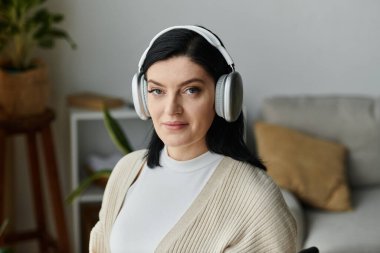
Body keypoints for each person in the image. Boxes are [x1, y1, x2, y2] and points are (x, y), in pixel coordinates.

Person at [89, 25, 297, 253]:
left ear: (223, 96)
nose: (171, 109)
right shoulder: (126, 170)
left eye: (191, 90)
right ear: (142, 97)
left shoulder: (255, 198)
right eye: (157, 91)